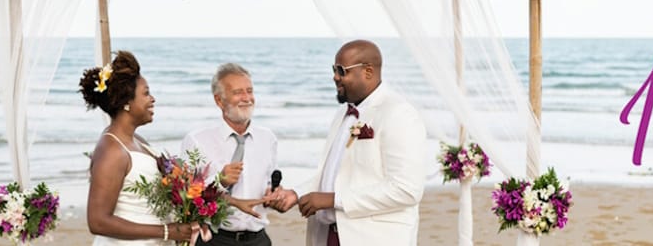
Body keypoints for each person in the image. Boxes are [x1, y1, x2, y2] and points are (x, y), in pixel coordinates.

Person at [268, 40, 428, 246]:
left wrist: (332, 200)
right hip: (328, 235)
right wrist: (296, 194)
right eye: (334, 70)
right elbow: (332, 174)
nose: (335, 77)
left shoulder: (398, 113)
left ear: (368, 71)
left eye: (342, 71)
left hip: (373, 238)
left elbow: (406, 190)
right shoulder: (344, 113)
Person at [82, 51, 195, 245]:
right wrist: (166, 231)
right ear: (126, 102)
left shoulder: (138, 140)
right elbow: (98, 221)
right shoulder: (112, 150)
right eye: (146, 93)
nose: (152, 99)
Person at [181, 63, 289, 245]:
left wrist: (275, 196)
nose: (247, 98)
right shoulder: (197, 140)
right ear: (219, 100)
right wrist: (220, 182)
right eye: (238, 92)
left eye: (250, 91)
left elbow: (269, 183)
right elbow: (186, 199)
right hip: (215, 239)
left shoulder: (267, 138)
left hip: (258, 239)